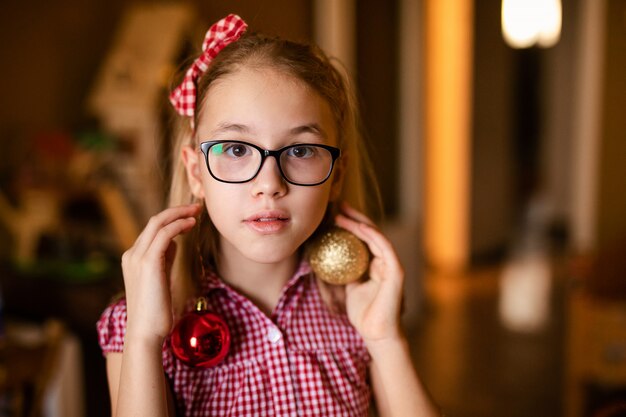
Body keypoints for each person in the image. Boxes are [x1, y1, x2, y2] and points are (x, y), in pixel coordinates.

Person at [97, 14, 439, 417]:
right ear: (196, 173)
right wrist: (143, 338)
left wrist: (385, 340)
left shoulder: (358, 306)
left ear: (336, 176)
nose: (269, 183)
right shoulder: (140, 321)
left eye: (300, 151)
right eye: (237, 149)